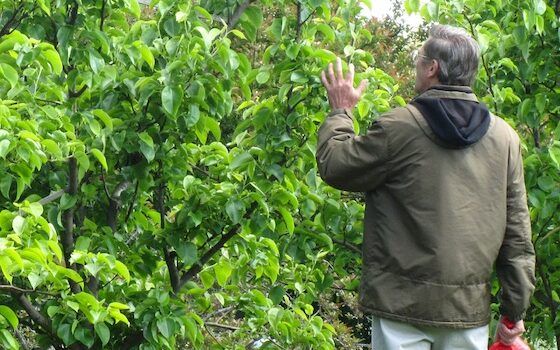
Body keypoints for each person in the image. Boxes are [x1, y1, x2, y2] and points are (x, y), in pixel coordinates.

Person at [316, 24, 536, 349]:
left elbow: (335, 165)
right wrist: (513, 311)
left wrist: (341, 111)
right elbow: (518, 237)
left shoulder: (398, 128)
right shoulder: (504, 139)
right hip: (467, 314)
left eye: (418, 59)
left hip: (399, 310)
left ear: (432, 68)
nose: (416, 65)